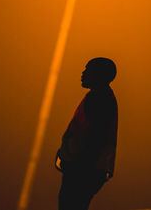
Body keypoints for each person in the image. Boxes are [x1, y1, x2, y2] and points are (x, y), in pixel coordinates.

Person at [55, 57, 118, 210]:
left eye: (87, 70)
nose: (83, 73)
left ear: (98, 75)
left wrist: (79, 167)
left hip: (83, 169)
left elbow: (96, 138)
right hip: (86, 168)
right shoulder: (101, 96)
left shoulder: (99, 98)